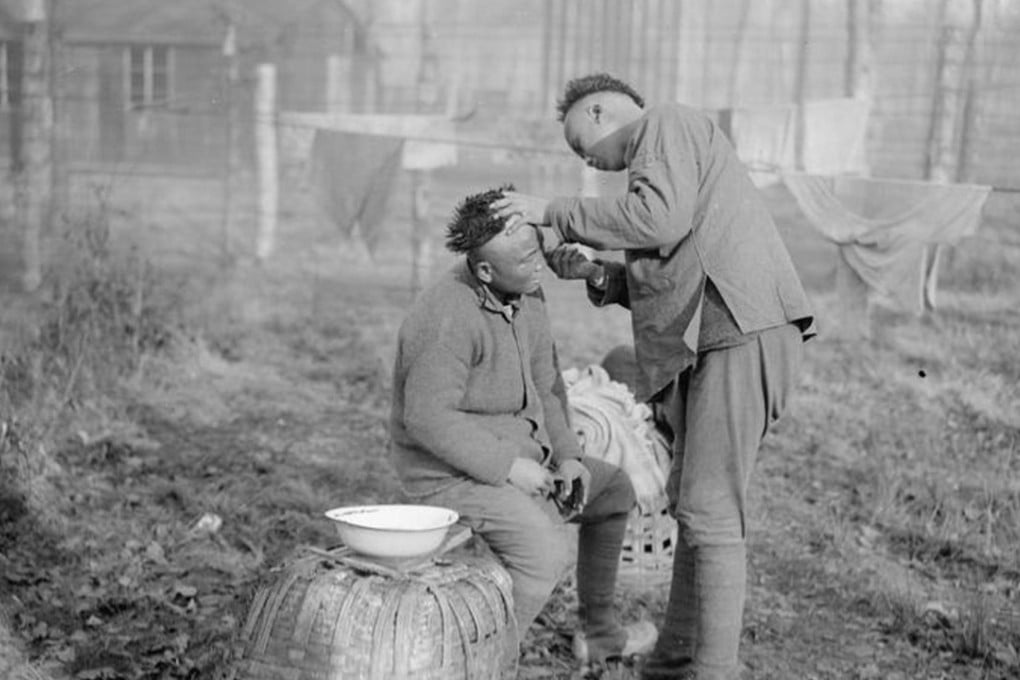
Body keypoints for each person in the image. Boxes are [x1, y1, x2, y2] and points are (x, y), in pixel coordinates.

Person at [491, 74, 816, 680]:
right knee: (694, 507)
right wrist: (598, 275)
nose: (581, 157)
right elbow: (670, 263)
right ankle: (673, 661)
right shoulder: (661, 165)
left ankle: (712, 671)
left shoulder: (664, 123)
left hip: (740, 332)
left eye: (578, 141)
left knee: (711, 514)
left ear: (598, 109)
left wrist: (554, 211)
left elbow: (658, 221)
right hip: (715, 336)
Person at [389, 185, 658, 664]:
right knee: (543, 557)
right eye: (527, 259)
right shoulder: (446, 315)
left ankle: (598, 632)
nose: (541, 266)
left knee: (612, 488)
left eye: (540, 250)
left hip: (522, 455)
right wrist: (510, 468)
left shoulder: (526, 293)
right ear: (485, 269)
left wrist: (570, 456)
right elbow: (426, 417)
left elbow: (547, 384)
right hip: (450, 475)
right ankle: (471, 666)